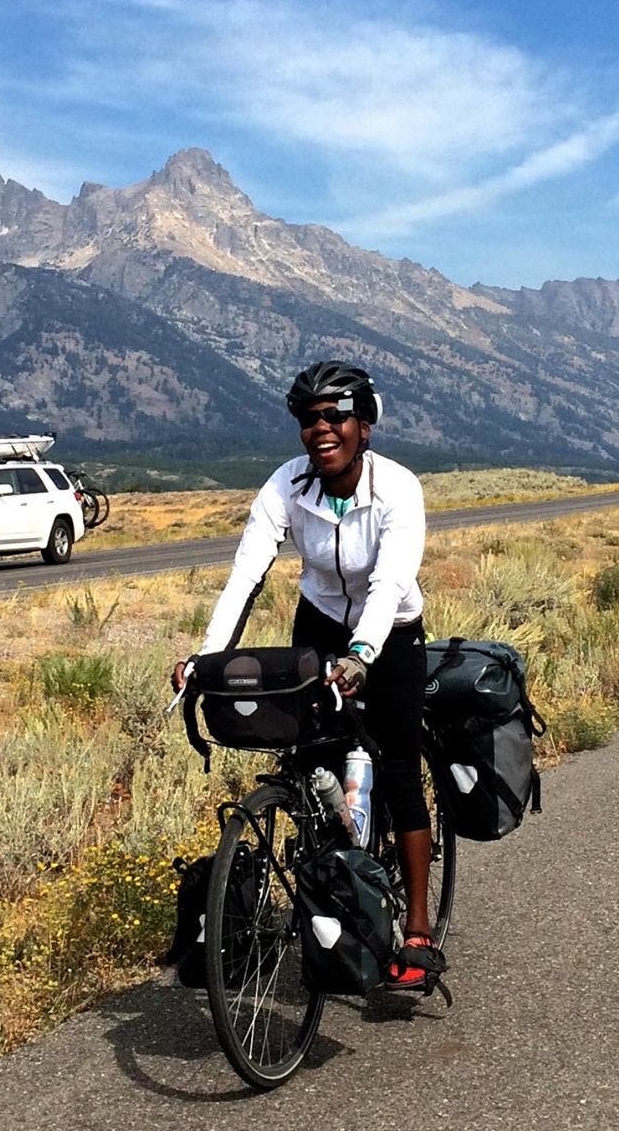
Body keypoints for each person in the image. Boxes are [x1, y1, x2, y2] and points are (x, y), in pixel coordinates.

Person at [172, 360, 442, 989]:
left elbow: (388, 583)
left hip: (393, 632)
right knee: (309, 760)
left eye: (334, 416)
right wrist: (207, 657)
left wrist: (363, 656)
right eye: (307, 419)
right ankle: (330, 885)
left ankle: (419, 930)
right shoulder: (286, 487)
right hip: (318, 624)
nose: (320, 430)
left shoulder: (398, 489)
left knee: (399, 768)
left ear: (364, 425)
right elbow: (246, 575)